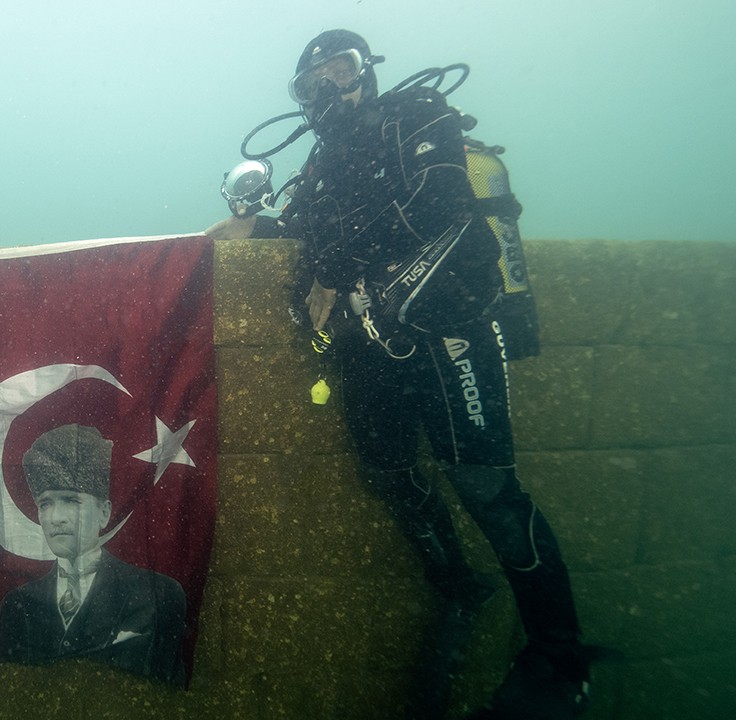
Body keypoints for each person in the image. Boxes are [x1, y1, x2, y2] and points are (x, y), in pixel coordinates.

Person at [208, 30, 591, 719]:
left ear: (368, 73)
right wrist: (222, 237)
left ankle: (560, 660)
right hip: (368, 348)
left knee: (487, 491)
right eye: (310, 83)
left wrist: (331, 265)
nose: (329, 88)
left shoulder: (419, 118)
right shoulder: (322, 167)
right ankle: (456, 585)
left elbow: (441, 208)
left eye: (341, 70)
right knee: (388, 474)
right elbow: (295, 240)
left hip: (451, 329)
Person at [0, 424, 187, 685]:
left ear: (104, 513)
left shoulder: (158, 593)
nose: (55, 518)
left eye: (71, 500)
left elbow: (169, 690)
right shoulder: (18, 604)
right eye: (45, 503)